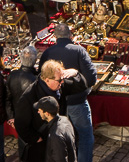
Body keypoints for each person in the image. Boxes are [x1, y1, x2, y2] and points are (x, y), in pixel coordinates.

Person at [38, 24, 97, 162]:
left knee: (62, 136)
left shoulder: (48, 53)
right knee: (85, 136)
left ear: (55, 37)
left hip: (57, 103)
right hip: (77, 102)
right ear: (71, 35)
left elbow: (41, 77)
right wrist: (79, 79)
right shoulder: (79, 51)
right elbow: (91, 78)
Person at [15, 60, 88, 162]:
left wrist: (75, 73)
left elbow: (81, 87)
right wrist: (36, 139)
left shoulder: (59, 85)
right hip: (42, 145)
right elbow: (20, 124)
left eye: (62, 79)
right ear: (47, 80)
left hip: (59, 137)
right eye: (59, 80)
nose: (62, 82)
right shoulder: (29, 96)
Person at [6, 46, 38, 158]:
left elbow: (7, 98)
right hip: (31, 120)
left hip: (18, 117)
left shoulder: (12, 75)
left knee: (23, 146)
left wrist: (11, 117)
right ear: (34, 60)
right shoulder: (36, 80)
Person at [35, 96, 76, 162]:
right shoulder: (65, 119)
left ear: (47, 113)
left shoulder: (55, 136)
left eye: (40, 110)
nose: (38, 112)